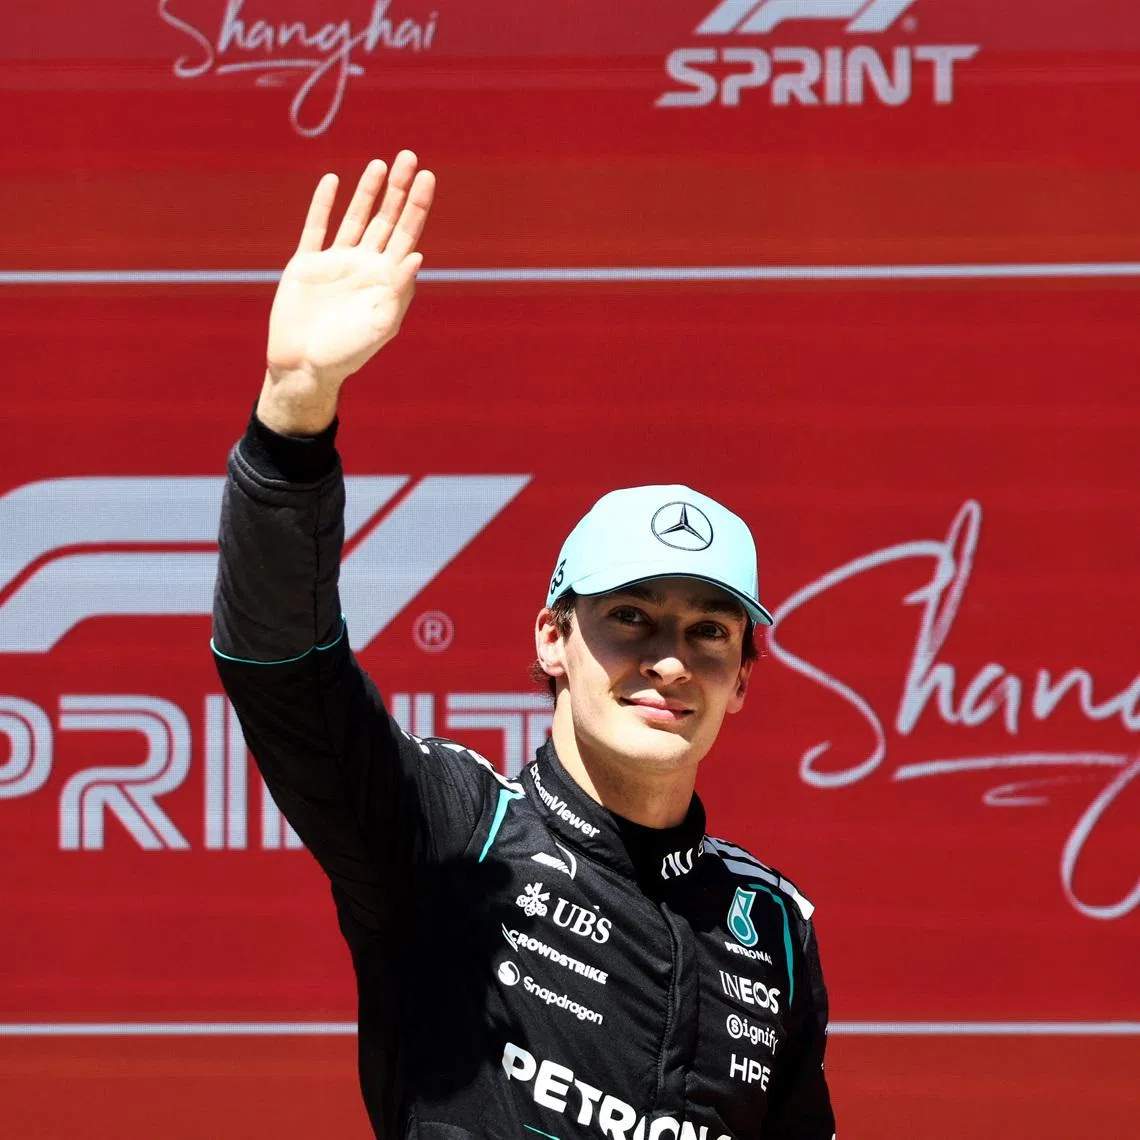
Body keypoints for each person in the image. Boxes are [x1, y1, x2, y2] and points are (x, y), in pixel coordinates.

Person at [212, 153, 836, 1140]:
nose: (671, 660)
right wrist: (294, 407)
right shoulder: (452, 837)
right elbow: (283, 668)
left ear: (744, 680)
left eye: (709, 632)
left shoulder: (772, 932)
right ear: (553, 637)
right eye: (630, 617)